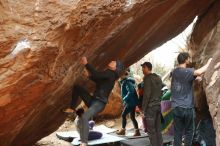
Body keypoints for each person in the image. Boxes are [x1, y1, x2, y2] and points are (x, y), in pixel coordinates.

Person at [64, 57, 123, 146]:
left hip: (99, 103)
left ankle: (84, 143)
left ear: (115, 67)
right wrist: (89, 76)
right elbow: (98, 80)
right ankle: (72, 108)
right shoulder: (109, 75)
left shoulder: (111, 73)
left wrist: (86, 64)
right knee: (77, 88)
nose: (112, 61)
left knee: (84, 118)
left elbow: (97, 75)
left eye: (114, 62)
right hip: (93, 100)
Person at [171, 52, 212, 146]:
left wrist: (195, 79)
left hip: (176, 107)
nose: (189, 59)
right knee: (189, 132)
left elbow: (184, 80)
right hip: (187, 107)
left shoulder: (174, 72)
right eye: (188, 58)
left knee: (177, 133)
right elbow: (199, 72)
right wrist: (209, 63)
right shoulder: (188, 71)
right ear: (186, 60)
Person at [141, 61, 163, 146]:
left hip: (150, 108)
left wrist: (143, 110)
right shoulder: (158, 77)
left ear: (147, 68)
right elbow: (161, 91)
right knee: (158, 130)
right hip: (158, 106)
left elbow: (147, 95)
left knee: (151, 132)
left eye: (143, 67)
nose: (142, 69)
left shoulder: (147, 78)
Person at [116, 70, 140, 136]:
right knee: (132, 117)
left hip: (131, 102)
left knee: (123, 115)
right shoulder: (125, 82)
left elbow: (131, 91)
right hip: (132, 102)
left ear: (124, 75)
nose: (120, 76)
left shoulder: (127, 82)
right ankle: (137, 131)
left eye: (121, 75)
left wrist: (125, 99)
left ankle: (123, 130)